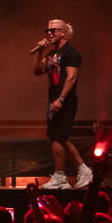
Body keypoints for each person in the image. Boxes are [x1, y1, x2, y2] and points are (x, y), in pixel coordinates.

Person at [31, 20, 90, 190]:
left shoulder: (71, 53)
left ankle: (60, 176)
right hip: (53, 99)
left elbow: (72, 77)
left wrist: (61, 98)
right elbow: (37, 70)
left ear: (63, 32)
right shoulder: (51, 54)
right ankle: (83, 170)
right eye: (47, 30)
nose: (49, 33)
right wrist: (40, 51)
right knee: (57, 136)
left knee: (58, 137)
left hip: (65, 100)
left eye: (53, 30)